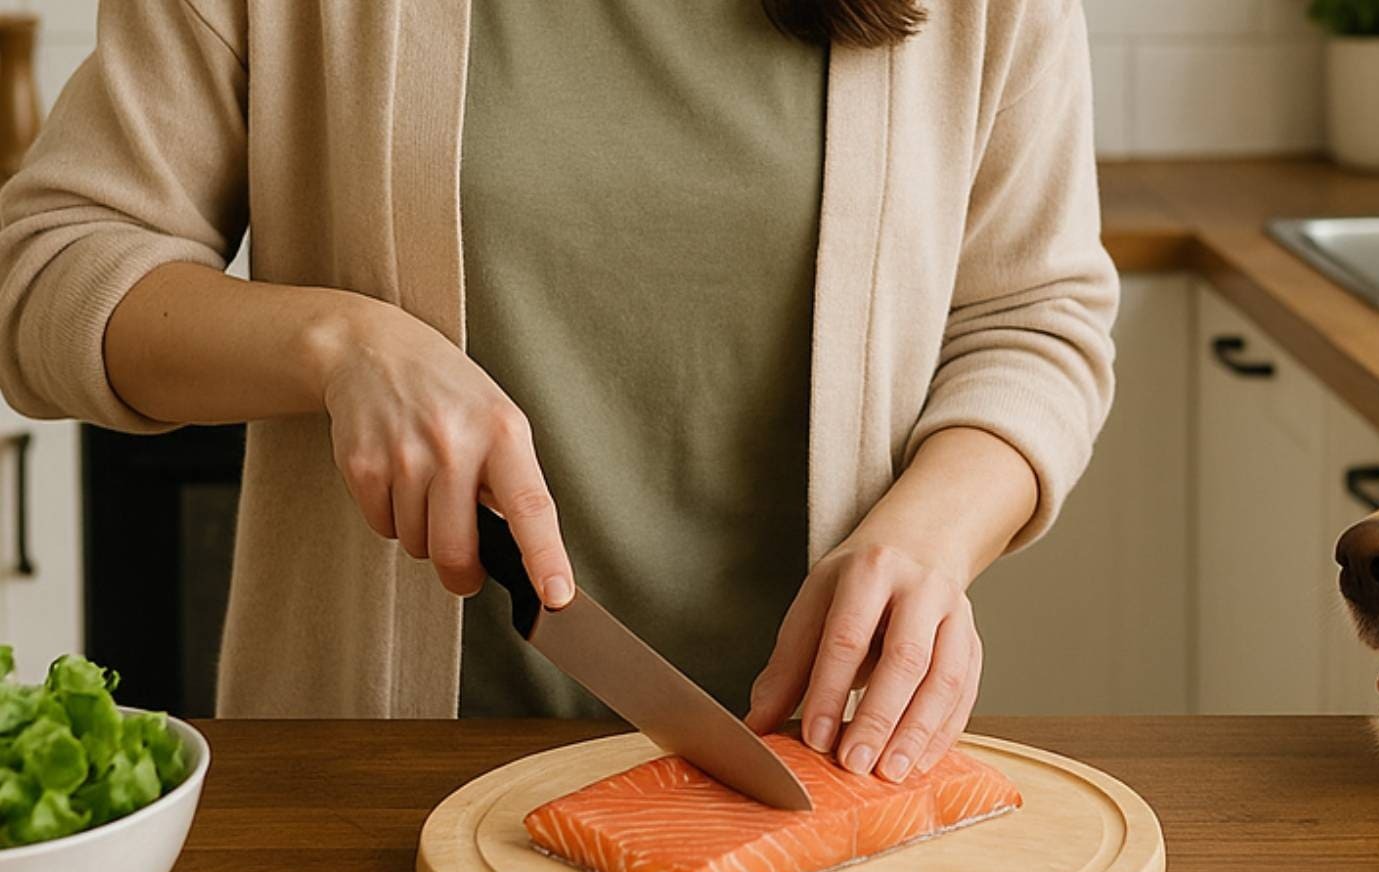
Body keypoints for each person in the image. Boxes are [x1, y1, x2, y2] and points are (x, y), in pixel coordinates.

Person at [0, 0, 1116, 783]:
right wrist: (339, 343)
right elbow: (44, 271)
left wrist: (929, 538)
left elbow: (1034, 316)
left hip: (824, 789)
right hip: (378, 802)